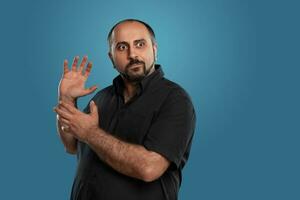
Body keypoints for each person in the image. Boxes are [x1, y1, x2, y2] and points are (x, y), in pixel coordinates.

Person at [54, 19, 196, 200]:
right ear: (111, 58)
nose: (132, 54)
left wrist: (91, 133)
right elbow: (72, 144)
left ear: (154, 49)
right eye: (122, 47)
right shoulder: (101, 98)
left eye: (140, 44)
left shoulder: (175, 99)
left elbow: (149, 168)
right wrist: (66, 99)